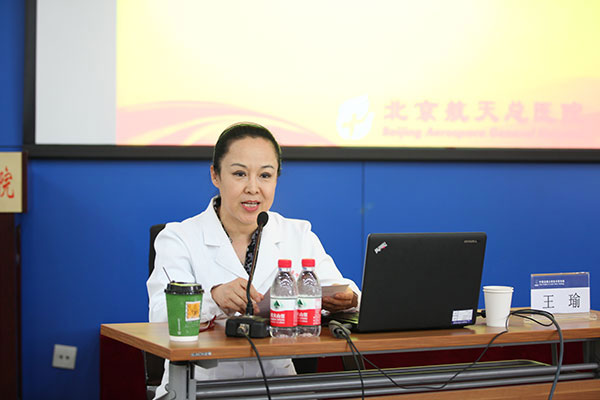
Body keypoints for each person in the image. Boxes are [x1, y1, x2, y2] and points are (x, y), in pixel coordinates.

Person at [147, 122, 360, 398]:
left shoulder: (298, 234)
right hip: (199, 388)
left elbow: (346, 291)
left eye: (265, 175)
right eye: (239, 174)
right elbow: (160, 317)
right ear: (215, 175)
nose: (253, 188)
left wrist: (347, 299)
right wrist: (212, 298)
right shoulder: (178, 237)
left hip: (278, 388)